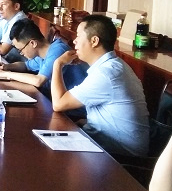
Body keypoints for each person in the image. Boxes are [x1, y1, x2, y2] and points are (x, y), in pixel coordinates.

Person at [50, 14, 149, 156]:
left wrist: (58, 64)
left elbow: (59, 104)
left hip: (120, 157)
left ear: (94, 41)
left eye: (79, 36)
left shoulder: (106, 74)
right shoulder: (113, 65)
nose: (75, 41)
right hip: (108, 145)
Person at [0, 18, 88, 97]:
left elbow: (38, 81)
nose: (21, 53)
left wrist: (4, 74)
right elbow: (25, 65)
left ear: (33, 43)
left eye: (21, 49)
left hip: (72, 110)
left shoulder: (58, 50)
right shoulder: (42, 54)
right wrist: (6, 67)